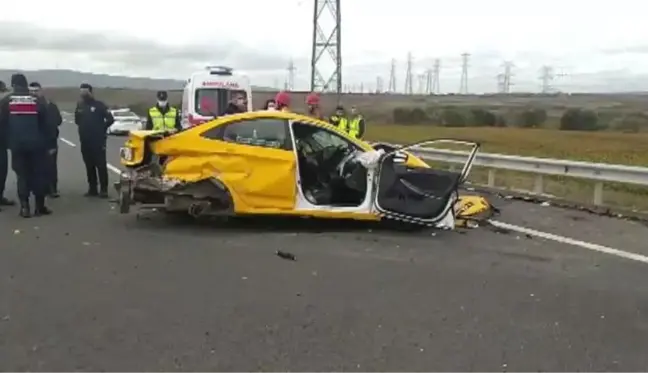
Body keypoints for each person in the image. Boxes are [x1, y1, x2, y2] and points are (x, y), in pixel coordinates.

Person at [0, 73, 53, 217]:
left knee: (21, 175)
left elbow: (2, 125)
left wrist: (7, 142)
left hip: (17, 146)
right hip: (36, 145)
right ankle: (39, 207)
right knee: (38, 174)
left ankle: (24, 207)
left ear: (13, 85)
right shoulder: (36, 101)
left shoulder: (6, 102)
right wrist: (49, 144)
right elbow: (47, 125)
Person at [74, 83, 114, 198]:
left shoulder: (99, 105)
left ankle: (104, 189)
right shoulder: (80, 106)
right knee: (89, 165)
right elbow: (77, 120)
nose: (83, 94)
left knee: (100, 165)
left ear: (91, 92)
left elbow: (110, 119)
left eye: (85, 92)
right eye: (81, 92)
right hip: (85, 141)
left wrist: (101, 128)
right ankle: (92, 188)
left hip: (98, 141)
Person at [29, 82, 62, 197]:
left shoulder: (50, 106)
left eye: (36, 91)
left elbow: (57, 121)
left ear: (41, 91)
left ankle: (52, 189)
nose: (33, 93)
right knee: (34, 167)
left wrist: (52, 143)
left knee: (51, 167)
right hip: (32, 142)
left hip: (49, 142)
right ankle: (37, 189)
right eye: (31, 91)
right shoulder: (27, 106)